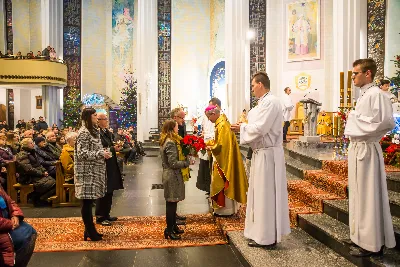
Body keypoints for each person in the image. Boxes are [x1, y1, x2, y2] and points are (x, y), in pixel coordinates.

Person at [231, 71, 291, 247]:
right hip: (260, 154)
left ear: (260, 84)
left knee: (266, 195)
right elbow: (254, 126)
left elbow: (261, 128)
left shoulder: (272, 102)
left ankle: (267, 237)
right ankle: (258, 232)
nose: (251, 88)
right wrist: (243, 127)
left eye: (252, 85)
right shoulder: (261, 104)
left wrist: (242, 127)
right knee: (258, 195)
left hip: (268, 154)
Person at [344, 58, 396, 257]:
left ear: (368, 74)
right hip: (358, 149)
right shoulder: (365, 94)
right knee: (358, 195)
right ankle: (359, 235)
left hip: (367, 150)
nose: (353, 77)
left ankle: (372, 243)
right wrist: (355, 119)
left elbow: (385, 123)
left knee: (368, 196)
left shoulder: (377, 95)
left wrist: (353, 118)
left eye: (355, 73)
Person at [75, 108, 111, 241]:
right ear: (89, 117)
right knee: (87, 202)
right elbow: (82, 154)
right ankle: (90, 231)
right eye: (95, 115)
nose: (97, 117)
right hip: (86, 172)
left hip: (93, 171)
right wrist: (100, 154)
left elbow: (93, 148)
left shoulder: (92, 131)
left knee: (89, 202)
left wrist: (103, 152)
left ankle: (89, 230)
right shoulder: (84, 132)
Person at [205, 105, 248, 216]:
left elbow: (221, 146)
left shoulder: (222, 125)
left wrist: (211, 147)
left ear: (213, 114)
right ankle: (224, 210)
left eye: (209, 117)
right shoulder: (221, 123)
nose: (209, 120)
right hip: (223, 156)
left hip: (223, 159)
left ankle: (225, 210)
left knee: (221, 181)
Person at [159, 119, 191, 240]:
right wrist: (186, 163)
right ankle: (169, 229)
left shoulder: (166, 140)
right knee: (171, 204)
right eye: (177, 127)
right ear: (172, 128)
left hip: (171, 175)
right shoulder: (170, 142)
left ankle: (173, 227)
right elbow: (173, 163)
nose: (179, 128)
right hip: (172, 175)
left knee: (173, 202)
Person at [95, 113, 124, 226]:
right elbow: (99, 148)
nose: (107, 121)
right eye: (105, 119)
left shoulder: (106, 132)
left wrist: (115, 147)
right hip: (102, 164)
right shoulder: (96, 133)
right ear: (98, 120)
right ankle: (100, 216)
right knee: (103, 190)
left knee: (109, 190)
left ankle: (106, 214)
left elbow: (109, 145)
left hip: (110, 162)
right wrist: (113, 148)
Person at [0, 185, 37, 267]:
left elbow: (10, 201)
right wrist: (10, 224)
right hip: (3, 228)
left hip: (7, 221)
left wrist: (15, 215)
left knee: (30, 231)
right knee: (25, 236)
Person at [196, 110, 214, 194]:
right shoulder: (206, 119)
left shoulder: (218, 120)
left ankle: (210, 188)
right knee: (205, 168)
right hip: (206, 146)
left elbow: (214, 134)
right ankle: (207, 188)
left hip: (212, 147)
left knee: (209, 169)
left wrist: (205, 135)